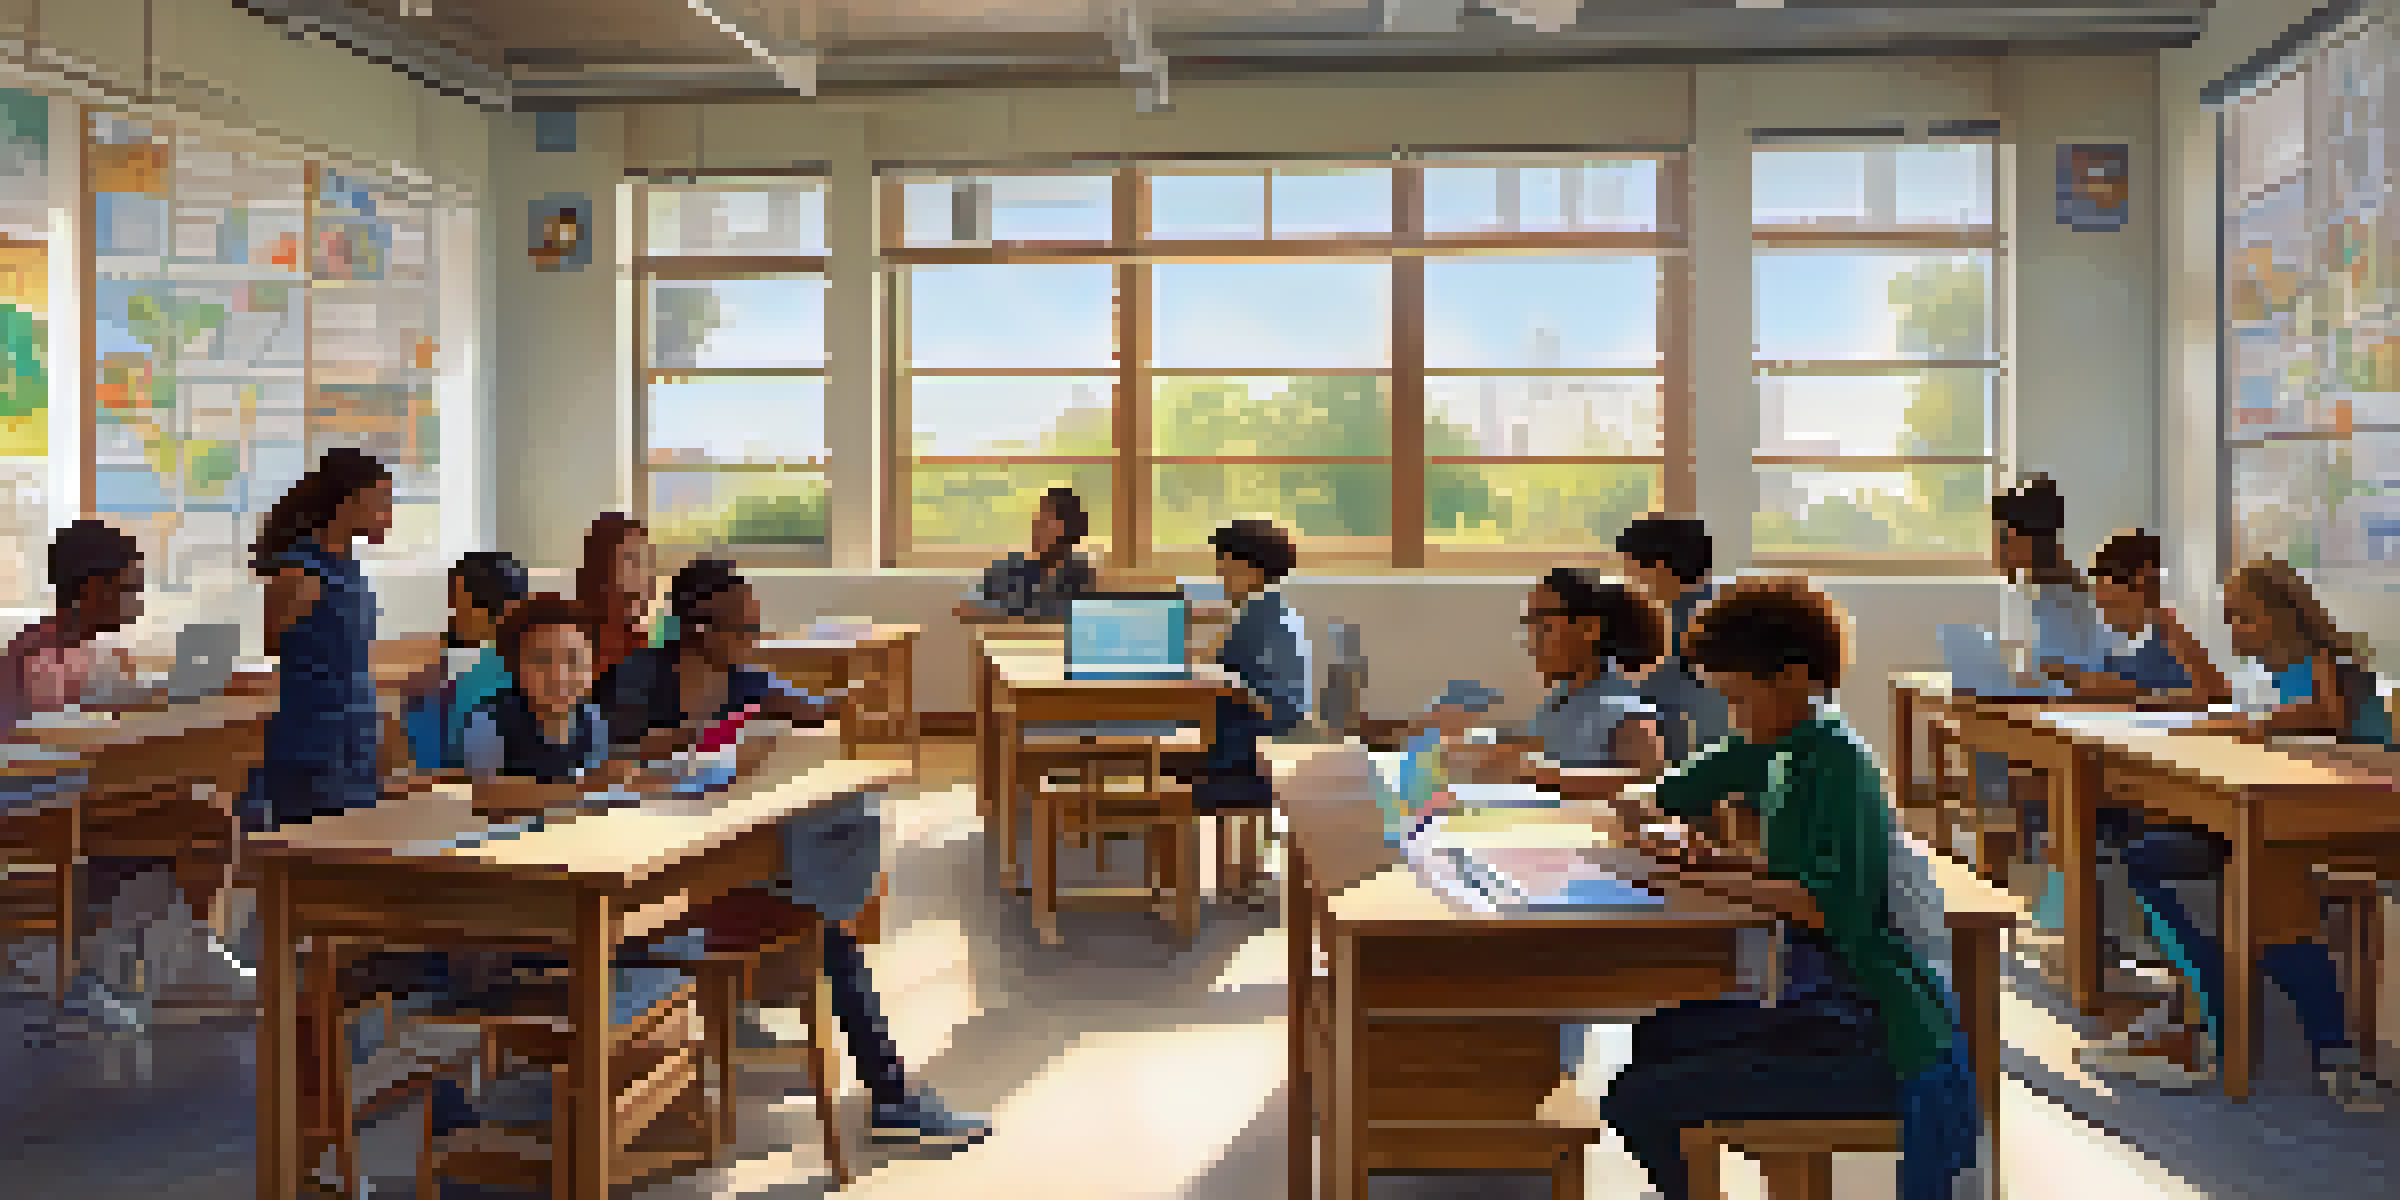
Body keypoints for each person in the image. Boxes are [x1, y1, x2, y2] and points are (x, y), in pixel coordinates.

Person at [1601, 576, 1975, 1200]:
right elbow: (1772, 865)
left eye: (1739, 700)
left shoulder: (1827, 759)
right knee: (1658, 1036)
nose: (1733, 718)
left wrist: (1711, 877)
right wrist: (1701, 862)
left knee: (1635, 1098)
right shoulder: (1786, 740)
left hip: (1871, 1033)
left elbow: (1827, 906)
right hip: (1825, 1001)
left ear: (1796, 678)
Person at [601, 558, 991, 1147]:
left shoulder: (747, 682)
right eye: (745, 630)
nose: (756, 641)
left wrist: (846, 701)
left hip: (713, 870)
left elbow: (811, 708)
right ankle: (888, 1095)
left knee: (828, 923)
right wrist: (689, 742)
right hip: (637, 874)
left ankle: (888, 1094)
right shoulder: (634, 682)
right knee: (824, 931)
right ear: (701, 630)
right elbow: (603, 759)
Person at [2081, 557, 2391, 1108]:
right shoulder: (2277, 674)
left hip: (2344, 822)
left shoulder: (2330, 662)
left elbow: (2330, 718)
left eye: (2241, 618)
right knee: (2163, 853)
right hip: (2291, 815)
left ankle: (2217, 1026)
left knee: (2243, 879)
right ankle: (2219, 1016)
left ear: (2276, 616)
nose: (2232, 630)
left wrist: (2258, 725)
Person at [3, 520, 249, 1040]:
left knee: (205, 817)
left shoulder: (103, 653)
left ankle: (192, 955)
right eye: (129, 586)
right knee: (183, 821)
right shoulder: (34, 657)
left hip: (98, 798)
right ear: (92, 588)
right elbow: (35, 748)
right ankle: (78, 970)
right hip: (44, 807)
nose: (136, 600)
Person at [246, 447, 397, 832]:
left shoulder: (350, 568)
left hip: (357, 739)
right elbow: (275, 644)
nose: (389, 517)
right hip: (313, 747)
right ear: (348, 502)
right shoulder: (300, 572)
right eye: (381, 503)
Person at [1983, 473, 2105, 932]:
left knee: (1991, 760)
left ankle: (2006, 887)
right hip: (2061, 713)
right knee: (1988, 750)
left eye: (1998, 541)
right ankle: (2015, 883)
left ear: (2013, 539)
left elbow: (2065, 674)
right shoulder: (2048, 587)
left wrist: (2016, 681)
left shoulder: (2057, 593)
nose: (1994, 553)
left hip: (2072, 724)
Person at [1163, 520, 1312, 815]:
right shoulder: (1277, 611)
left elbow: (1224, 689)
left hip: (1244, 764)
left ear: (1253, 570)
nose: (1220, 577)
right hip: (1268, 752)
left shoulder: (1257, 620)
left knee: (1152, 758)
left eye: (1226, 567)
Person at [2045, 530, 2229, 705]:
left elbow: (2217, 695)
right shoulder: (2115, 644)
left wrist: (2133, 694)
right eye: (2100, 604)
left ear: (2142, 586)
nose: (2104, 615)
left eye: (2112, 604)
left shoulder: (2171, 634)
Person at [1614, 514, 1733, 762]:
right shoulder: (1725, 602)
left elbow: (1640, 695)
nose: (1626, 582)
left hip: (1700, 761)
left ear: (1657, 568)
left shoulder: (1681, 624)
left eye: (1628, 569)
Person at [404, 550, 530, 771]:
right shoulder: (456, 665)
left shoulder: (468, 674)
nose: (453, 615)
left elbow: (429, 757)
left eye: (458, 605)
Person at [954, 487, 1099, 623]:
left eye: (1046, 521)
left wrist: (1009, 615)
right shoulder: (1008, 569)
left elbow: (1082, 622)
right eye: (1038, 520)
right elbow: (965, 609)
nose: (1037, 528)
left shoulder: (1082, 577)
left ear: (1069, 529)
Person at [577, 512, 667, 683]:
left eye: (649, 564)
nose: (648, 576)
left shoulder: (639, 644)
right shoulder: (570, 640)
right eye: (633, 561)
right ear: (600, 570)